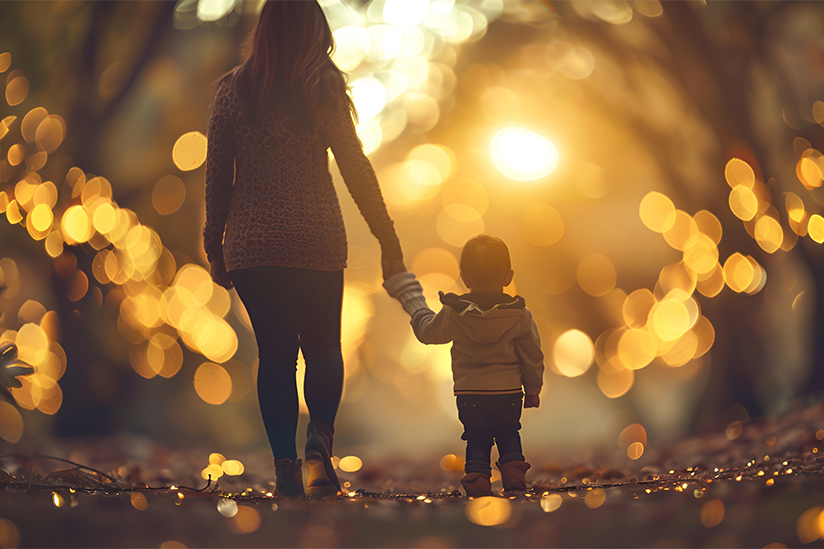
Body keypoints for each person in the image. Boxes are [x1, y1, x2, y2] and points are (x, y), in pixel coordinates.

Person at [203, 0, 405, 499]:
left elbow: (217, 176)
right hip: (315, 237)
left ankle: (286, 469)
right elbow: (356, 166)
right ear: (316, 30)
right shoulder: (324, 89)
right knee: (322, 348)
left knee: (274, 356)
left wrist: (214, 246)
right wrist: (387, 238)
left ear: (264, 29)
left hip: (252, 245)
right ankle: (320, 444)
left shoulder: (233, 90)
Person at [383, 234, 544, 497]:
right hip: (509, 393)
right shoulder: (520, 315)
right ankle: (515, 479)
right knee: (508, 434)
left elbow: (427, 332)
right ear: (508, 276)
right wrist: (534, 387)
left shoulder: (454, 312)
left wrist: (410, 296)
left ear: (464, 277)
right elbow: (532, 355)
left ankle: (478, 482)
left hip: (470, 394)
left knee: (477, 437)